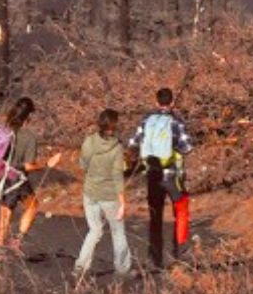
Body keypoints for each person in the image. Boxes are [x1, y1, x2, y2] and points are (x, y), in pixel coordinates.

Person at [129, 87, 192, 269]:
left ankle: (155, 259)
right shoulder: (176, 121)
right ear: (172, 102)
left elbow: (133, 143)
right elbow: (187, 147)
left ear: (156, 102)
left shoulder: (147, 121)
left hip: (153, 176)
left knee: (155, 216)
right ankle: (180, 255)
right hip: (173, 176)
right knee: (181, 211)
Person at [0, 95, 60, 253]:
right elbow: (29, 165)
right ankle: (16, 242)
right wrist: (46, 164)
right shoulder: (28, 137)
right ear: (28, 116)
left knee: (5, 213)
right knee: (33, 205)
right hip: (17, 179)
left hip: (0, 176)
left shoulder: (3, 130)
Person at [73, 108, 133, 280]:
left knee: (94, 230)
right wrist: (122, 201)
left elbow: (83, 165)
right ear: (114, 127)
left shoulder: (89, 141)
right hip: (109, 196)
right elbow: (117, 176)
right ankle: (122, 270)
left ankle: (80, 267)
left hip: (90, 193)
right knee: (118, 231)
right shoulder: (117, 148)